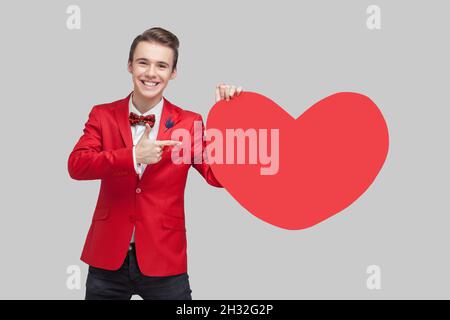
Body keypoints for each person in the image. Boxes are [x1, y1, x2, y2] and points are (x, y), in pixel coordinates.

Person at [68, 27, 242, 300]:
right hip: (107, 259)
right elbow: (77, 165)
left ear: (173, 72)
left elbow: (217, 176)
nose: (151, 73)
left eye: (161, 65)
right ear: (129, 65)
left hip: (165, 259)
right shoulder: (102, 115)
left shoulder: (189, 122)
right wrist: (134, 155)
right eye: (143, 62)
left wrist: (230, 118)